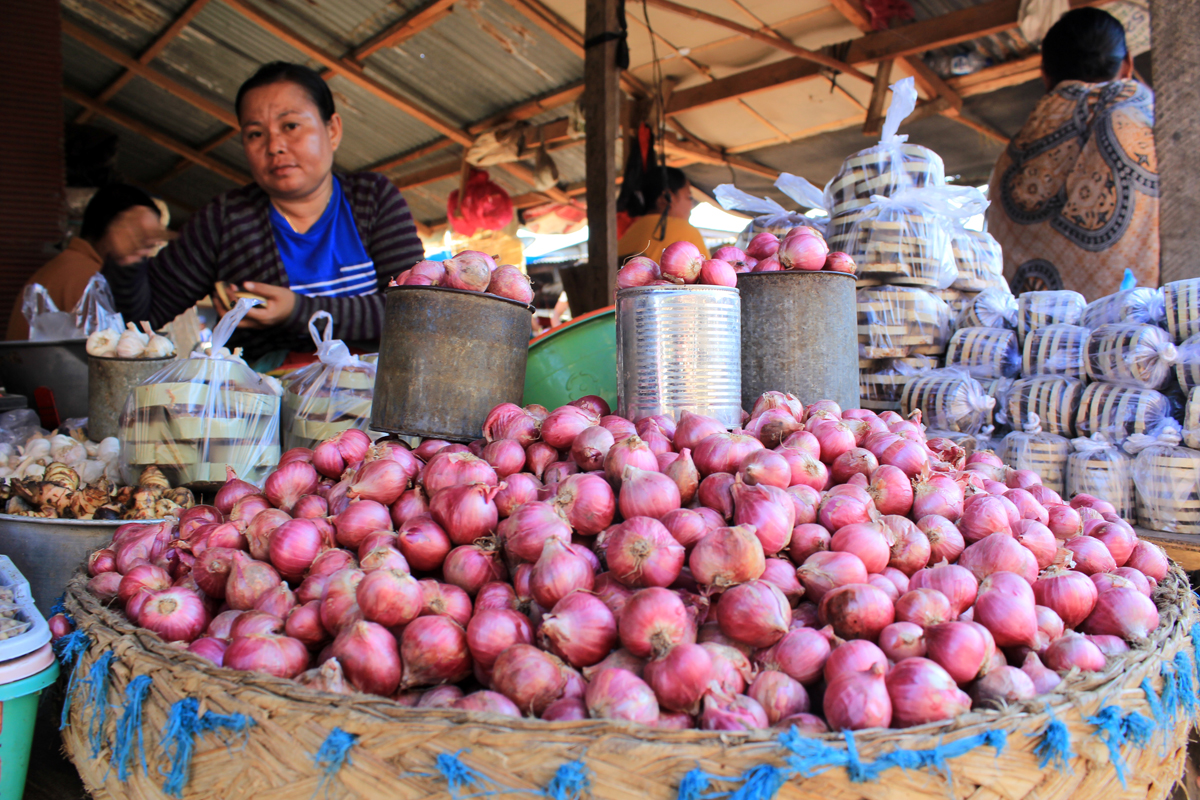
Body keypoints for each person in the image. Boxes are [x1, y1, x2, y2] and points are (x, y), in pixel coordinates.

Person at [101, 62, 425, 364]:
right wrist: (128, 261)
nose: (274, 146)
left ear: (332, 130)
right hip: (267, 408)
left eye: (291, 125)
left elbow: (418, 308)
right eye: (256, 133)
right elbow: (139, 320)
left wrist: (297, 310)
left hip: (377, 402)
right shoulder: (224, 221)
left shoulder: (372, 199)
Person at [987, 8, 1157, 300]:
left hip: (1029, 341)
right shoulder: (1152, 133)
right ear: (1127, 64)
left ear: (1045, 75)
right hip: (1147, 339)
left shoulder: (1011, 159)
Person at [6, 185, 161, 340]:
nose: (146, 253)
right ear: (116, 231)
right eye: (141, 238)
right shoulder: (91, 281)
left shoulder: (65, 265)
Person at [617, 167, 710, 265]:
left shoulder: (633, 229)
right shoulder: (686, 231)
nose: (691, 205)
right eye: (689, 197)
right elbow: (710, 276)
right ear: (667, 197)